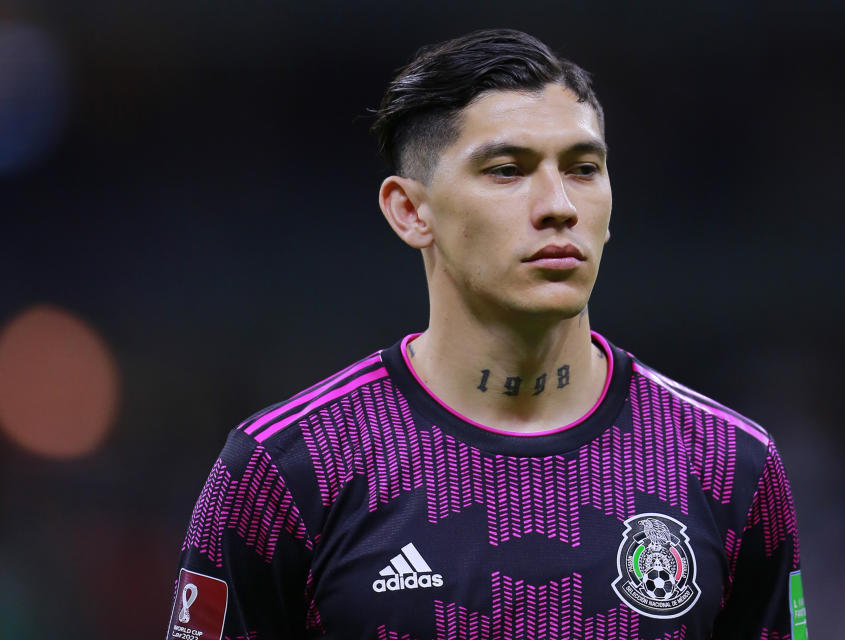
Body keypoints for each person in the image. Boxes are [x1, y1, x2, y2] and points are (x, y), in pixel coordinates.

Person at [165, 29, 806, 640]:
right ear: (410, 211)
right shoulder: (287, 468)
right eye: (507, 170)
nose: (559, 206)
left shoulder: (731, 465)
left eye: (584, 168)